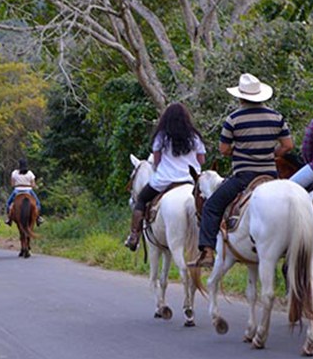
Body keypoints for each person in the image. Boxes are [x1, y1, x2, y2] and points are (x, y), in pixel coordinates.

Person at [188, 73, 293, 268]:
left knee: (211, 206)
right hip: (271, 176)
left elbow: (224, 149)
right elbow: (288, 145)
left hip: (244, 177)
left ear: (240, 97)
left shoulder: (233, 119)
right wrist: (271, 152)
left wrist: (241, 151)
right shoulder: (276, 117)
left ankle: (208, 252)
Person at [124, 102, 206, 251]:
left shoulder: (161, 137)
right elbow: (202, 160)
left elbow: (156, 161)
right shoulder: (195, 137)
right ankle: (211, 242)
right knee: (208, 204)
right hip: (190, 180)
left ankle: (134, 235)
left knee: (141, 199)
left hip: (165, 180)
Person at [5, 158, 43, 226]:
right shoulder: (30, 173)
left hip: (17, 190)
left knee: (8, 203)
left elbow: (12, 184)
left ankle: (9, 219)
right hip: (28, 190)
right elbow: (33, 184)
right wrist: (35, 186)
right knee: (38, 203)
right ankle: (38, 218)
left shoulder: (14, 173)